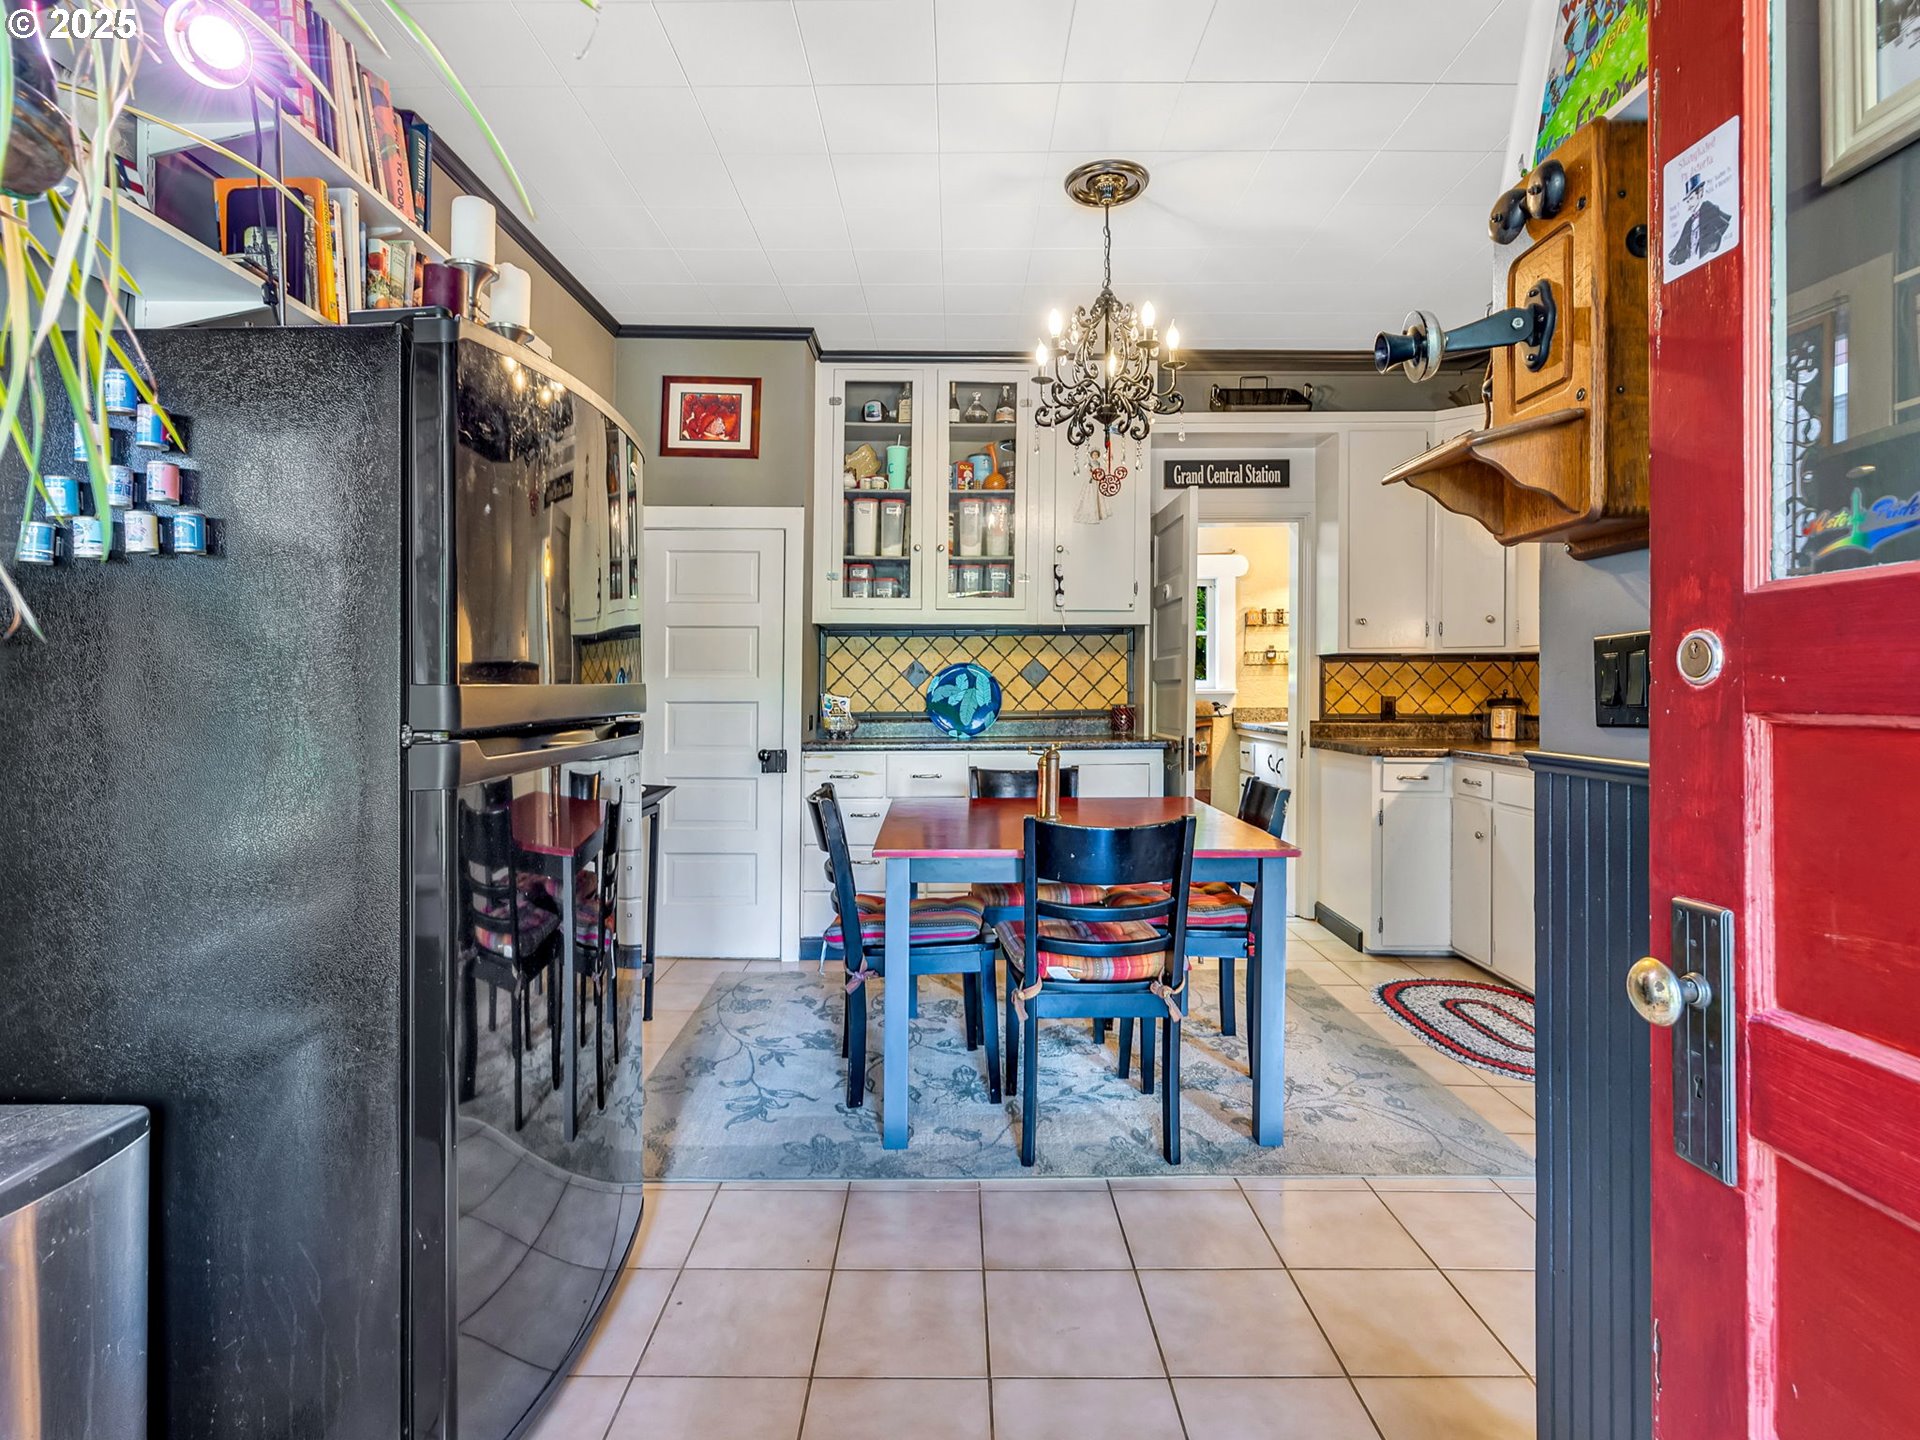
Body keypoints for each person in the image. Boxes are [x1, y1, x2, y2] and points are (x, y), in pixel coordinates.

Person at [1668, 173, 1731, 266]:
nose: (1689, 204)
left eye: (1691, 199)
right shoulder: (1688, 223)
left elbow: (1722, 228)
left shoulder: (1710, 209)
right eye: (1687, 201)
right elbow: (1680, 247)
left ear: (1700, 194)